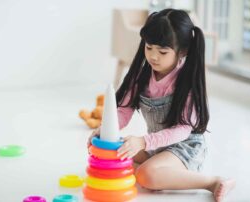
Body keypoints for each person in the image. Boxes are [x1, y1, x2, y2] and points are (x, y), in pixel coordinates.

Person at [87, 8, 235, 202]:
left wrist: (143, 141)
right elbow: (124, 110)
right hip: (157, 147)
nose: (153, 56)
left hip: (185, 148)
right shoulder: (141, 77)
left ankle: (211, 182)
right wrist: (104, 132)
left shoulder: (187, 82)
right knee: (115, 150)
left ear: (182, 51)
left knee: (145, 176)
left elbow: (182, 130)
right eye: (149, 48)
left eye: (163, 51)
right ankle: (157, 169)